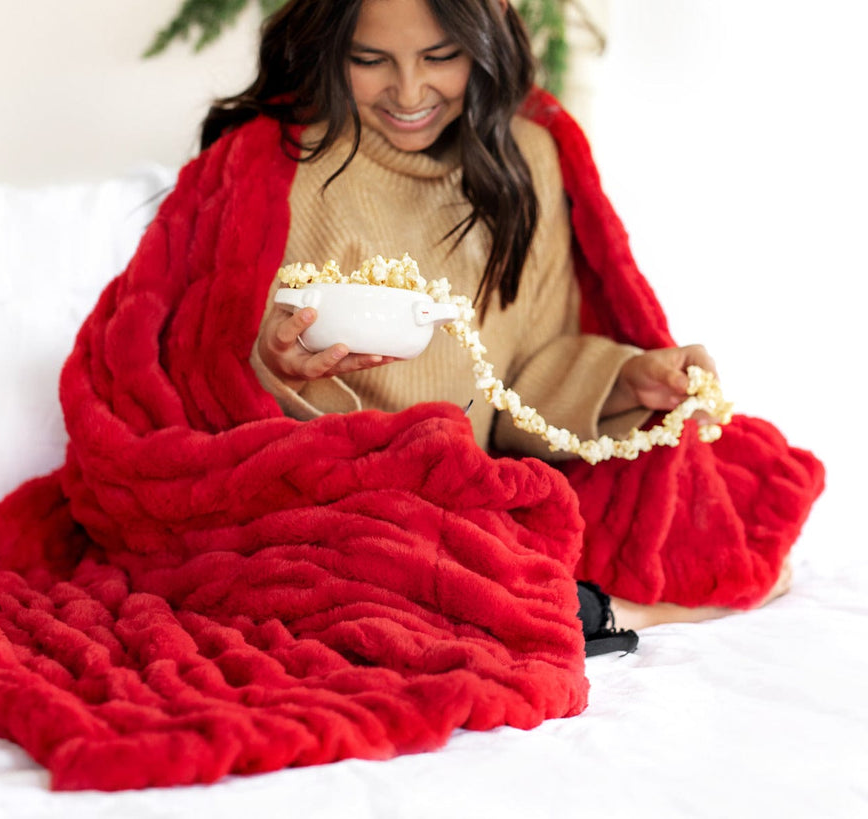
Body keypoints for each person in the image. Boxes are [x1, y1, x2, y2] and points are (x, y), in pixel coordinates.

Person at [199, 0, 791, 646]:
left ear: (484, 41)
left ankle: (591, 605)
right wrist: (276, 364)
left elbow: (523, 385)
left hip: (465, 505)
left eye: (441, 57)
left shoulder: (525, 158)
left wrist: (627, 381)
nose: (409, 91)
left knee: (715, 507)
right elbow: (194, 380)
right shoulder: (278, 163)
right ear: (329, 44)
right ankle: (605, 611)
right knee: (347, 575)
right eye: (369, 61)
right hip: (326, 500)